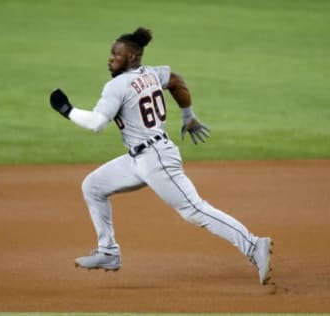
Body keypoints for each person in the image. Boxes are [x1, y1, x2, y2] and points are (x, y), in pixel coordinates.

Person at [49, 27, 273, 285]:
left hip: (155, 158)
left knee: (194, 210)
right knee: (94, 186)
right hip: (138, 158)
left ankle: (253, 244)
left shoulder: (117, 85)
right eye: (110, 53)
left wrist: (67, 110)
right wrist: (188, 116)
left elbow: (97, 124)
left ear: (132, 58)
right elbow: (176, 80)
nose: (110, 58)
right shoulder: (152, 73)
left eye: (116, 54)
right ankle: (108, 252)